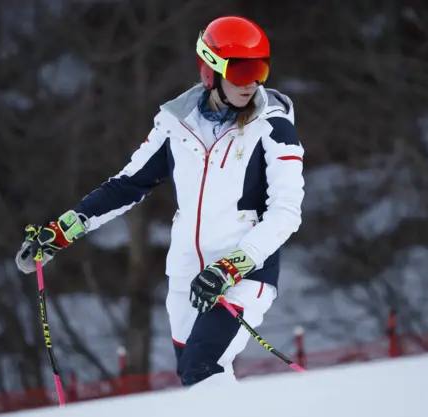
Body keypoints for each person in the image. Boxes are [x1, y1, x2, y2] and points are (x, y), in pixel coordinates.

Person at [15, 15, 305, 388]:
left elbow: (287, 211)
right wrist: (61, 231)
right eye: (240, 71)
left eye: (260, 69)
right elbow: (127, 185)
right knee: (195, 377)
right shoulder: (176, 124)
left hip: (243, 272)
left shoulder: (274, 126)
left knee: (203, 369)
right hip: (188, 274)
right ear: (210, 72)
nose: (251, 82)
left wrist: (233, 266)